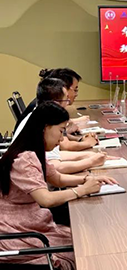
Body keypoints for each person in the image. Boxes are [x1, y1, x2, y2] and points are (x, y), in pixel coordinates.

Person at [0, 102, 117, 269]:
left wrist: (87, 179)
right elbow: (46, 199)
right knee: (84, 248)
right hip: (16, 233)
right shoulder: (24, 159)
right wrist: (81, 190)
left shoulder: (33, 151)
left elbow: (57, 179)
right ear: (45, 128)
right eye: (61, 131)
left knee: (86, 239)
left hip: (28, 225)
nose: (62, 138)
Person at [14, 78, 110, 174]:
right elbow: (56, 167)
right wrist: (91, 162)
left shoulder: (39, 115)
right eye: (66, 100)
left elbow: (54, 156)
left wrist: (88, 155)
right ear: (55, 103)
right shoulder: (45, 123)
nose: (68, 103)